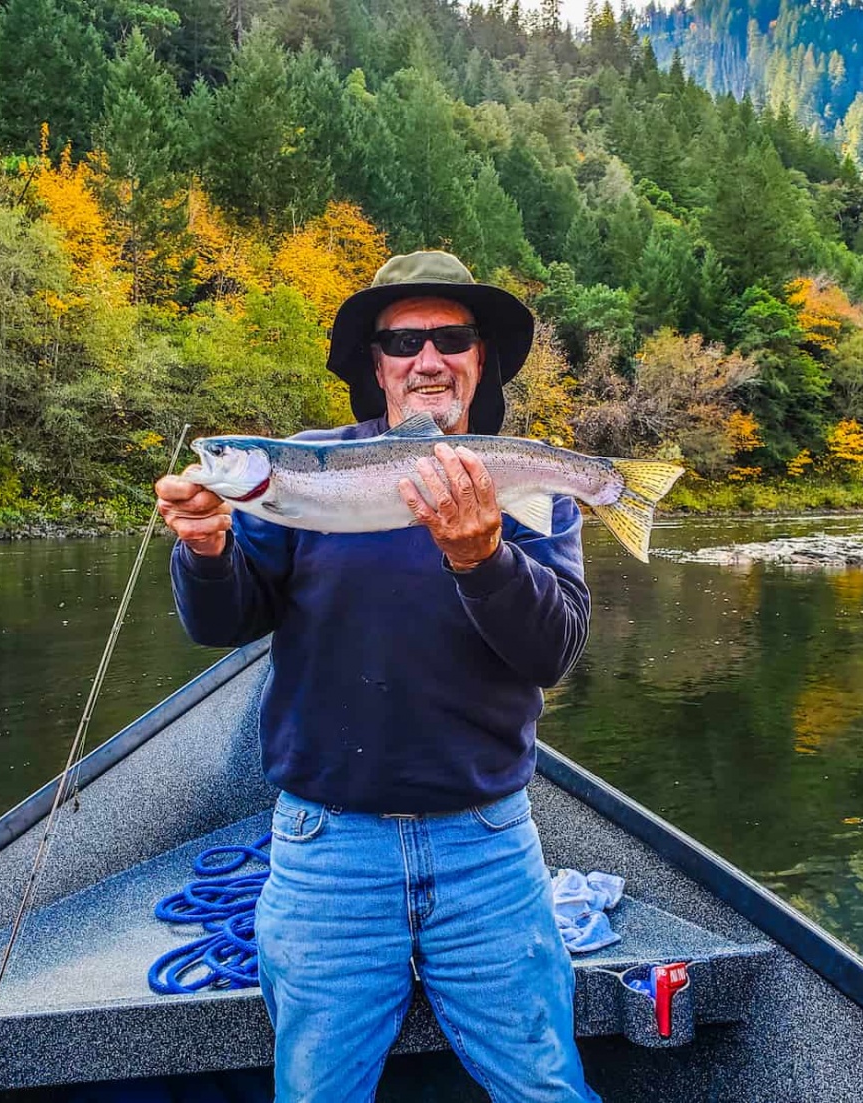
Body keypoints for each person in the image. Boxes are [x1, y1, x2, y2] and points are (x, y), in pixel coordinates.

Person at [155, 251, 602, 1103]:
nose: (427, 358)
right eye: (403, 341)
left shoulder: (522, 479)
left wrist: (484, 557)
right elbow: (223, 623)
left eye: (451, 337)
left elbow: (555, 650)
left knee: (547, 1089)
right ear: (376, 363)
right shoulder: (296, 473)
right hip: (327, 853)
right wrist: (207, 548)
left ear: (481, 358)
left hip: (491, 848)